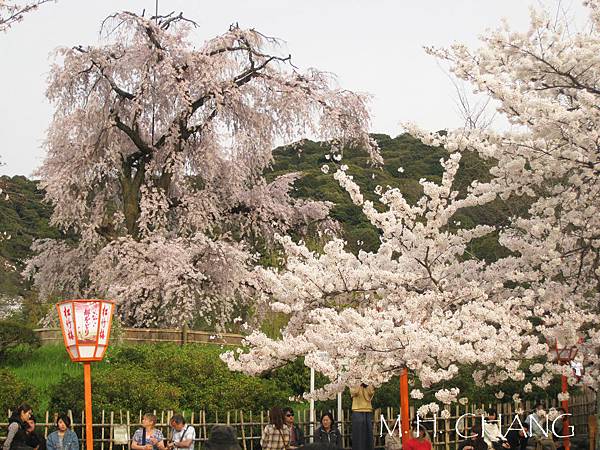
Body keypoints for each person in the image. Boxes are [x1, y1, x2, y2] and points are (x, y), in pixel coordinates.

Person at [350, 384, 375, 450]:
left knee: (369, 434)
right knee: (358, 434)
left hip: (368, 409)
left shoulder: (369, 379)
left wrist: (367, 385)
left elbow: (371, 393)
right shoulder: (352, 380)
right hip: (357, 408)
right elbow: (354, 392)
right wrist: (359, 384)